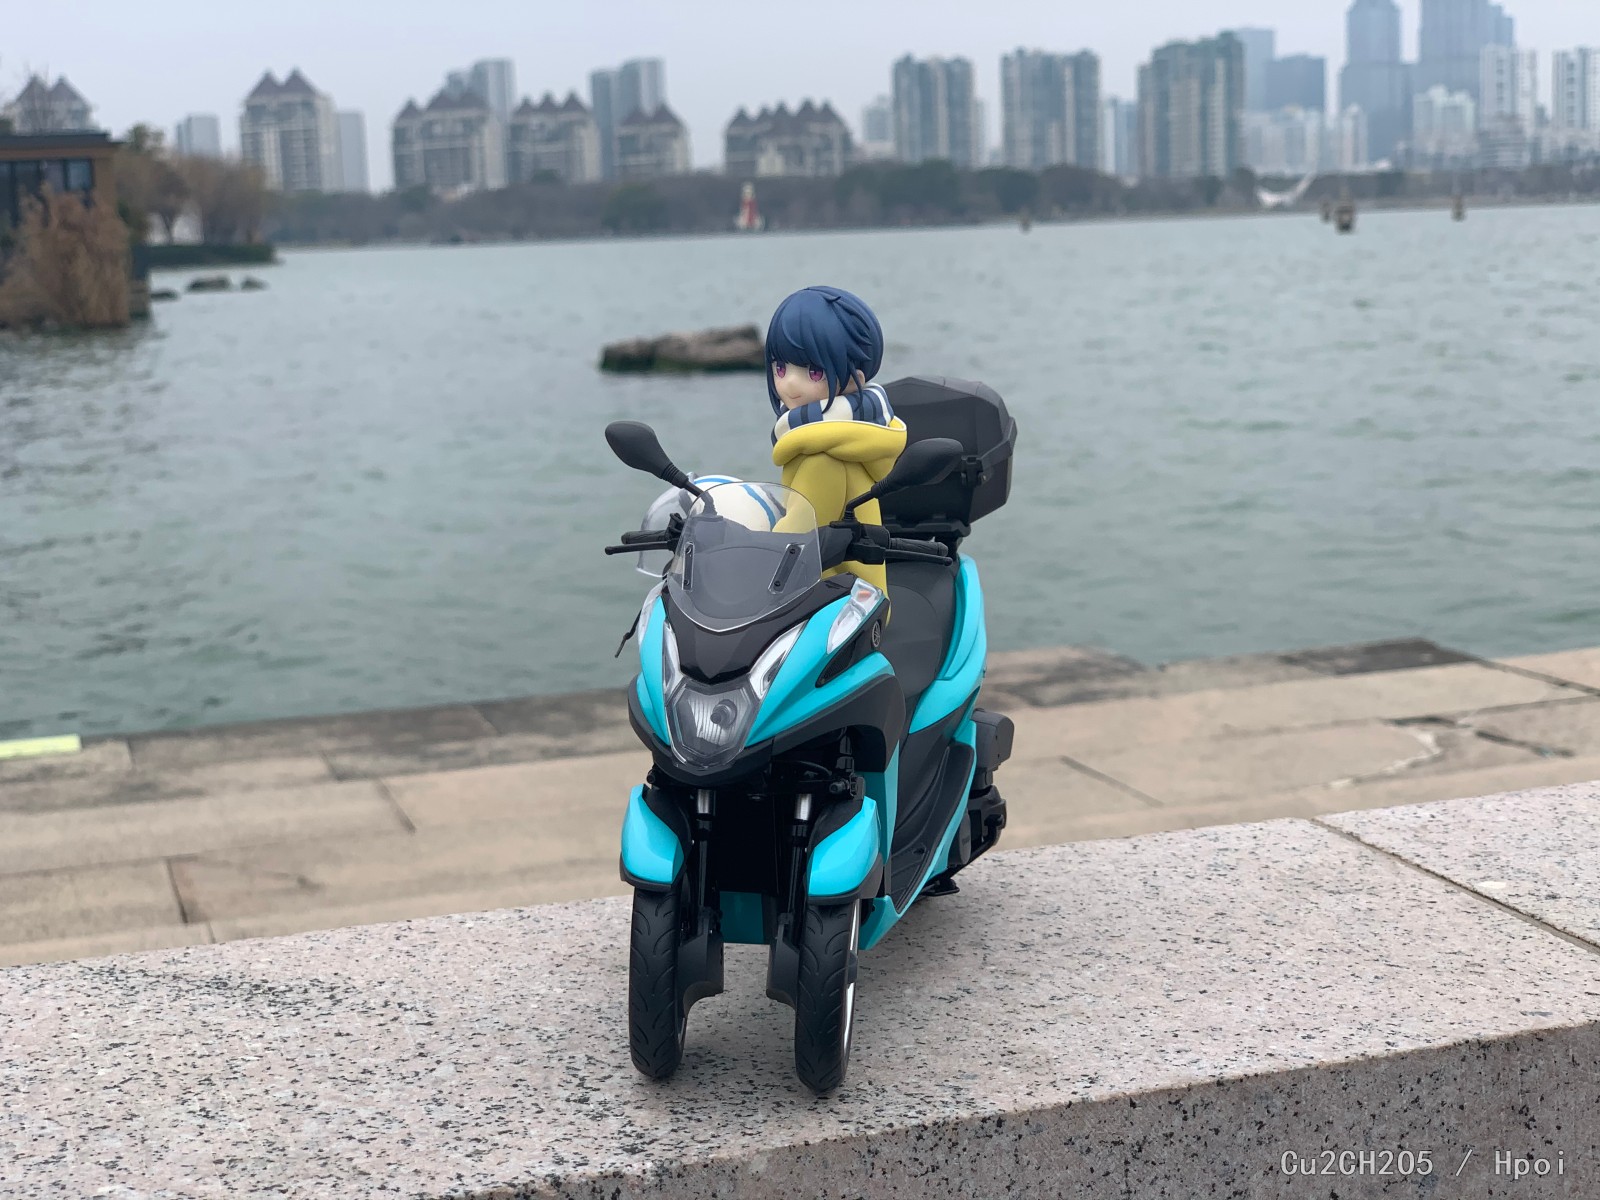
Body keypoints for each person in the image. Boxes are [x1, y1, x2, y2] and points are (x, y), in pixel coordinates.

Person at [765, 286, 906, 597]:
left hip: (830, 607)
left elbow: (794, 540)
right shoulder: (850, 433)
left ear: (855, 377)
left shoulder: (822, 455)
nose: (790, 383)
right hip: (857, 596)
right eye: (780, 367)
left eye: (814, 372)